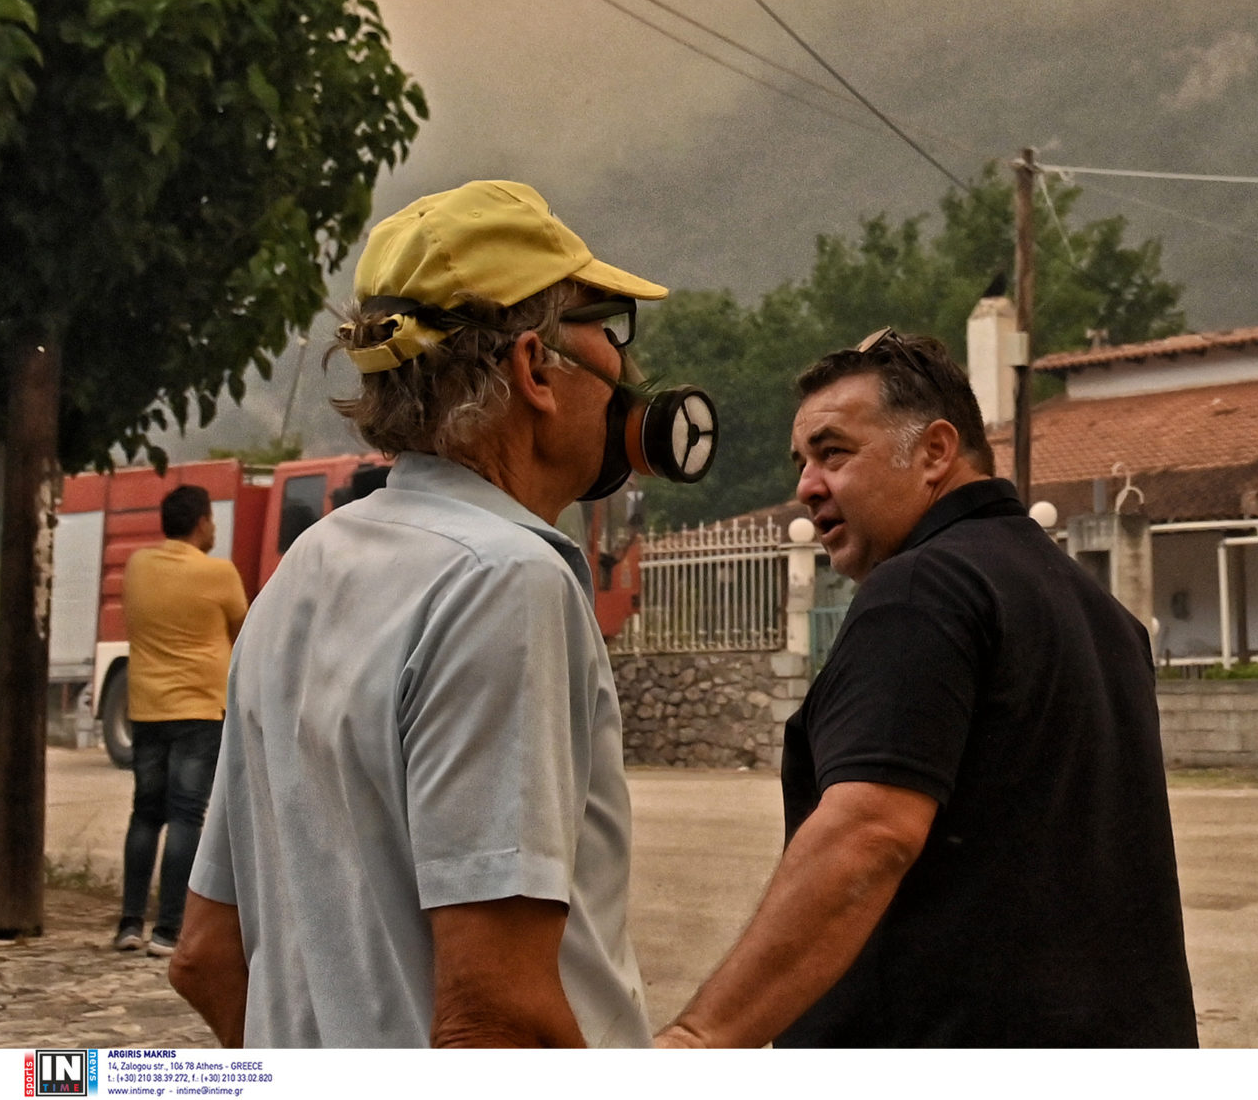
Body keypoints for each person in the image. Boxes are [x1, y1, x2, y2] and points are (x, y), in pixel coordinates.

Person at [170, 180, 665, 1047]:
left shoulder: (300, 574)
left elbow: (206, 957)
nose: (625, 370)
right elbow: (495, 1018)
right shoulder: (505, 581)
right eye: (609, 328)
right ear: (535, 369)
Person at [658, 330, 1197, 1047]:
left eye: (833, 452)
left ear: (936, 452)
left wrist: (698, 1039)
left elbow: (868, 835)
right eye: (802, 462)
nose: (807, 486)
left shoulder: (924, 588)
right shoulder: (1102, 613)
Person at [113, 483, 247, 958]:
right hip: (199, 709)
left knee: (145, 813)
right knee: (186, 815)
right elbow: (242, 631)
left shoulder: (137, 566)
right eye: (211, 519)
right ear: (202, 522)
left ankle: (129, 923)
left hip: (147, 707)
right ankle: (168, 931)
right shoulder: (219, 573)